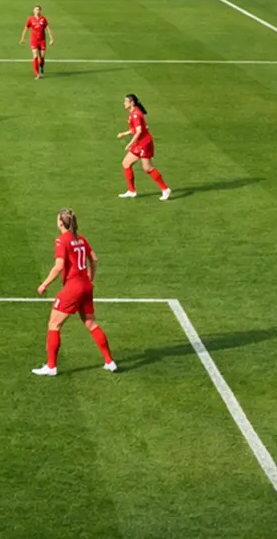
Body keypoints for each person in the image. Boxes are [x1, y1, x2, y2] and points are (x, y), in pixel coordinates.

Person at [32, 208, 117, 376]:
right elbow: (94, 259)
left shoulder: (61, 240)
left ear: (61, 223)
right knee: (91, 324)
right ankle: (109, 361)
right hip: (86, 286)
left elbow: (59, 266)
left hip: (73, 288)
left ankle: (51, 366)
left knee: (54, 325)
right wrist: (91, 278)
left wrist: (44, 284)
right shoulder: (82, 239)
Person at [117, 94, 170, 200]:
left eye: (126, 101)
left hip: (144, 144)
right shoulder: (134, 112)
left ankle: (165, 189)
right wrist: (125, 133)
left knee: (148, 168)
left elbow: (139, 131)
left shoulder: (135, 114)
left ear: (131, 103)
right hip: (140, 143)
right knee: (126, 164)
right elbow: (137, 129)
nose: (124, 103)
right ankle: (131, 191)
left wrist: (130, 144)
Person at [19, 6, 54, 79]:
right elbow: (25, 29)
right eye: (36, 10)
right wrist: (22, 38)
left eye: (38, 10)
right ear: (33, 11)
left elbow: (48, 28)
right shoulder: (30, 19)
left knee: (41, 58)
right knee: (35, 56)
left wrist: (51, 39)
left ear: (40, 11)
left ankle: (41, 67)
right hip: (34, 41)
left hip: (42, 41)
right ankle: (37, 74)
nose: (37, 11)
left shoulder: (43, 19)